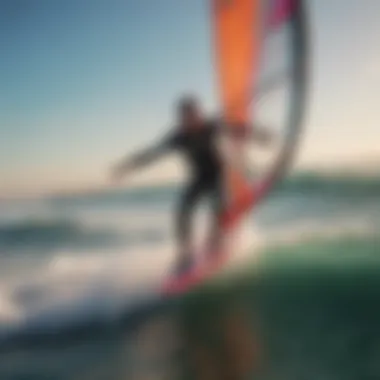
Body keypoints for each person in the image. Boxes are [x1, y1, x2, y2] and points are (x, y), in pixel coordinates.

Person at [110, 95, 272, 275]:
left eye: (194, 115)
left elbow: (238, 130)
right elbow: (151, 154)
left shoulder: (210, 126)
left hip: (218, 175)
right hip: (199, 178)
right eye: (186, 117)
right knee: (183, 211)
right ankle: (186, 254)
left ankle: (216, 243)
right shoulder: (178, 137)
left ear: (198, 114)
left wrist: (261, 135)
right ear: (181, 119)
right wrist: (126, 167)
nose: (191, 120)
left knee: (218, 208)